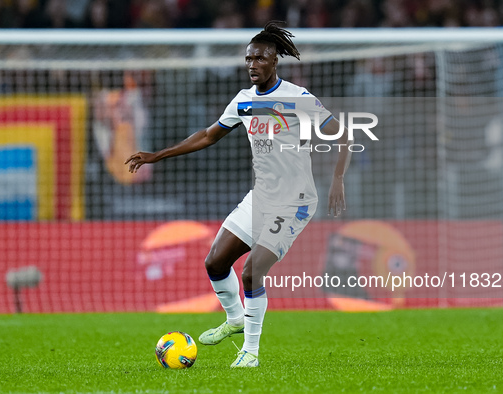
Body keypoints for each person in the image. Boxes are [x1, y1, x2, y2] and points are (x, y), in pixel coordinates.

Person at [125, 21, 351, 368]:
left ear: (275, 61)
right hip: (261, 197)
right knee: (215, 262)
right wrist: (158, 155)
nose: (252, 65)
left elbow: (344, 136)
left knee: (251, 272)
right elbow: (206, 136)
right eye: (248, 59)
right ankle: (234, 319)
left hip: (295, 201)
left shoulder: (298, 98)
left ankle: (251, 352)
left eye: (260, 58)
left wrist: (337, 179)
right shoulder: (243, 101)